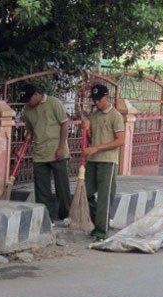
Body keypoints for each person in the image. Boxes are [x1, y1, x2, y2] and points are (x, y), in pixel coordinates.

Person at [20, 84, 72, 225]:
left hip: (57, 151)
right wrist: (24, 146)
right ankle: (48, 217)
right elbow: (30, 131)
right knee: (42, 189)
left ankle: (66, 215)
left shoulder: (54, 103)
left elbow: (64, 125)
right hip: (39, 152)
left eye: (29, 98)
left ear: (37, 94)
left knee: (62, 186)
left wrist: (61, 147)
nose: (28, 102)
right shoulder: (27, 110)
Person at [81, 84, 125, 242]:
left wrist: (97, 148)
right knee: (86, 193)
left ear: (106, 97)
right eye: (94, 100)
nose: (97, 102)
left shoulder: (116, 116)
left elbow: (120, 140)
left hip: (108, 161)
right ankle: (99, 222)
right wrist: (85, 128)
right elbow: (90, 136)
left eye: (99, 99)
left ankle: (101, 231)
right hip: (92, 161)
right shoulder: (93, 115)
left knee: (105, 197)